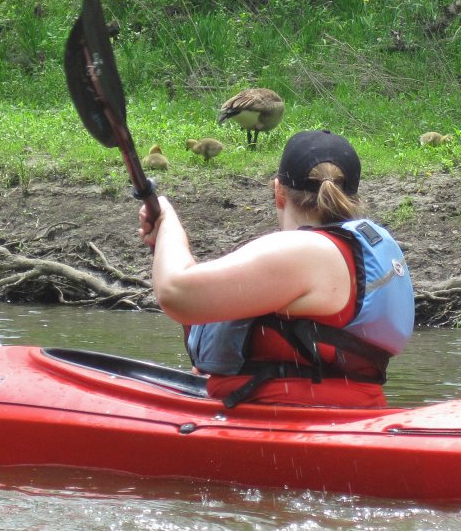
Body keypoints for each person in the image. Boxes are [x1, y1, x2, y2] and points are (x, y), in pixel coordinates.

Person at [138, 129, 414, 408]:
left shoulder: (304, 253)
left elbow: (176, 293)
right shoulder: (361, 250)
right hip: (356, 415)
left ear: (278, 192)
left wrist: (166, 222)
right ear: (353, 197)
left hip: (288, 425)